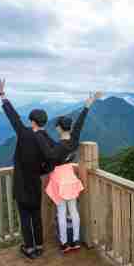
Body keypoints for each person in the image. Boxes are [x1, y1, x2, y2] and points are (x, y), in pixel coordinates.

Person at [35, 92, 102, 253]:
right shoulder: (74, 141)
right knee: (73, 210)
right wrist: (88, 103)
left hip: (58, 179)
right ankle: (76, 240)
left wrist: (38, 133)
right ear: (70, 128)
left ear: (58, 128)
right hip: (71, 179)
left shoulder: (56, 149)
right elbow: (80, 122)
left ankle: (65, 243)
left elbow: (48, 155)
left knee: (61, 211)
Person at [0, 78, 55, 259]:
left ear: (32, 121)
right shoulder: (46, 139)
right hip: (35, 183)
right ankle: (39, 245)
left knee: (25, 216)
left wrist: (2, 95)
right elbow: (54, 159)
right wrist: (43, 170)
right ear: (44, 122)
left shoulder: (24, 133)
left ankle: (29, 248)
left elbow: (13, 117)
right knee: (36, 215)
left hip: (21, 183)